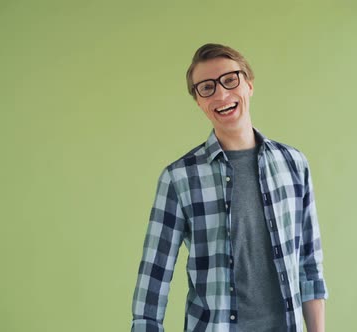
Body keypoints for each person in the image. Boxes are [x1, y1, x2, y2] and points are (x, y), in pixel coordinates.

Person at [131, 43, 328, 332]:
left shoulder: (294, 164)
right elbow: (154, 279)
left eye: (230, 80)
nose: (221, 94)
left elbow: (309, 266)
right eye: (206, 87)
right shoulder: (179, 178)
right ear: (198, 101)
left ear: (249, 84)